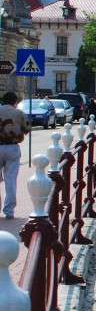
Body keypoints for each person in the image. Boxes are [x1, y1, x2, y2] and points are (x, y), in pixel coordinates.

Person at [0, 91, 30, 220]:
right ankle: (9, 210)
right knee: (10, 180)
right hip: (12, 148)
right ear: (15, 102)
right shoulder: (19, 113)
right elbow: (27, 129)